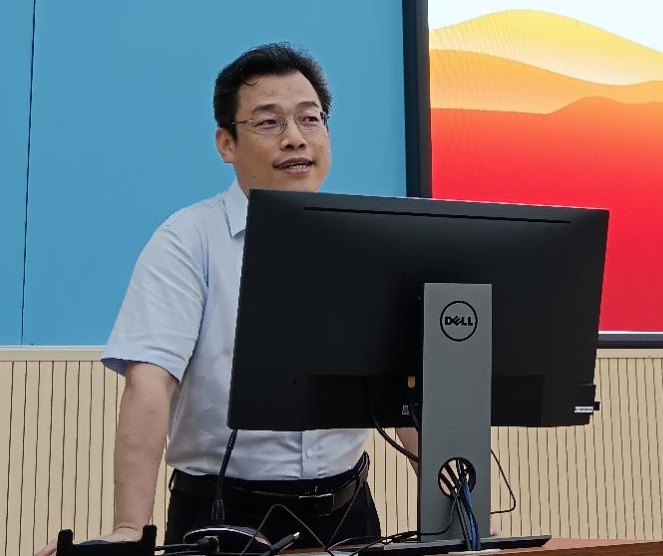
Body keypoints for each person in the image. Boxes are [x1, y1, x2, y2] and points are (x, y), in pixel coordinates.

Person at [36, 43, 416, 554]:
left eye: (310, 119)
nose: (295, 138)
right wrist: (129, 529)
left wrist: (466, 517)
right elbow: (150, 383)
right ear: (226, 143)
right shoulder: (187, 240)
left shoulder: (368, 243)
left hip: (348, 514)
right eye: (269, 122)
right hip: (222, 513)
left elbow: (408, 398)